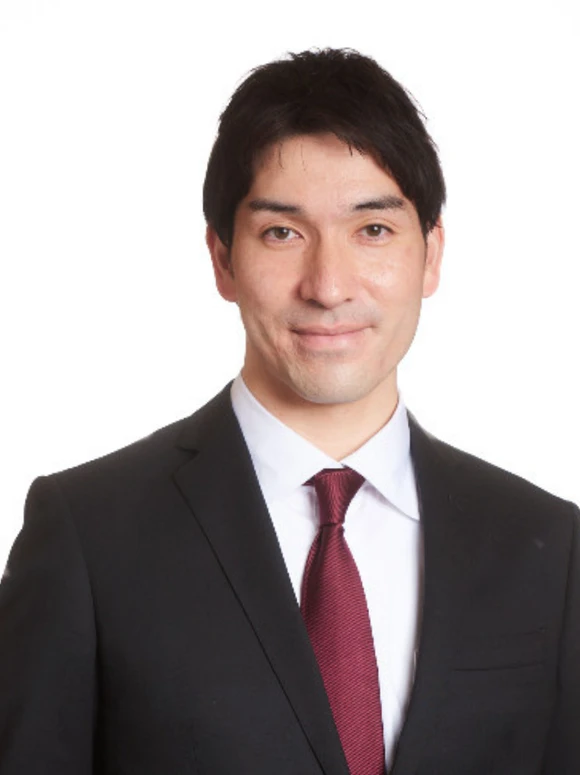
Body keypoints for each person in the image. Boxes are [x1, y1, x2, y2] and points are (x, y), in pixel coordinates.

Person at [0, 47, 578, 775]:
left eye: (372, 229)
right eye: (282, 232)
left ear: (431, 255)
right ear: (222, 259)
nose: (329, 284)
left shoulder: (549, 549)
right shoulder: (87, 536)